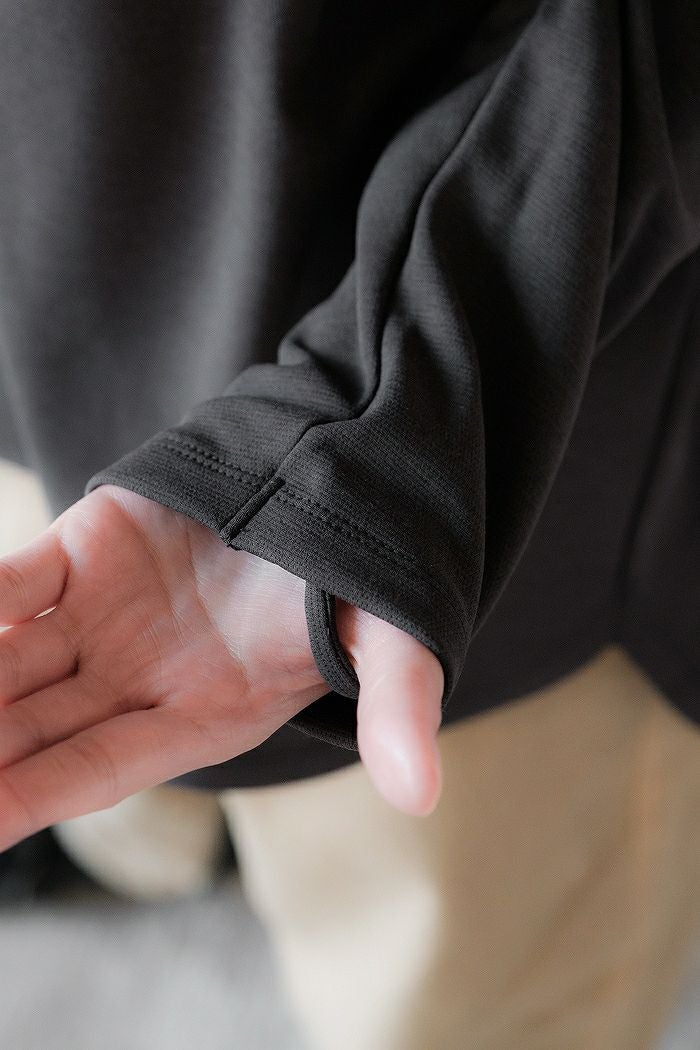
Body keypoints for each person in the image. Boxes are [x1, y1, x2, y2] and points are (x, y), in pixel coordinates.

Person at [0, 1, 699, 1047]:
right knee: (118, 787)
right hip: (45, 362)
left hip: (486, 493)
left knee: (464, 1002)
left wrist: (380, 423)